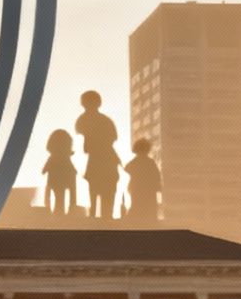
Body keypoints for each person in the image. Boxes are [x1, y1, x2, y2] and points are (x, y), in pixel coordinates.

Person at [73, 91, 121, 219]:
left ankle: (99, 219)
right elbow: (113, 137)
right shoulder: (100, 120)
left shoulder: (85, 119)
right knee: (102, 194)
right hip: (102, 159)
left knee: (99, 193)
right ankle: (101, 219)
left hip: (101, 159)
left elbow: (111, 138)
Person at [123, 137, 161, 222]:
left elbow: (126, 168)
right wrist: (158, 187)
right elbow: (156, 176)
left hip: (136, 188)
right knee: (149, 209)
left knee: (137, 206)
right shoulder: (150, 162)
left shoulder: (135, 161)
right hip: (148, 189)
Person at [42, 129, 78, 216]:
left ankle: (59, 211)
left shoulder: (53, 158)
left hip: (56, 180)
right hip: (60, 180)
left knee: (58, 197)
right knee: (62, 197)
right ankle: (64, 211)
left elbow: (44, 170)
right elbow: (72, 170)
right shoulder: (62, 158)